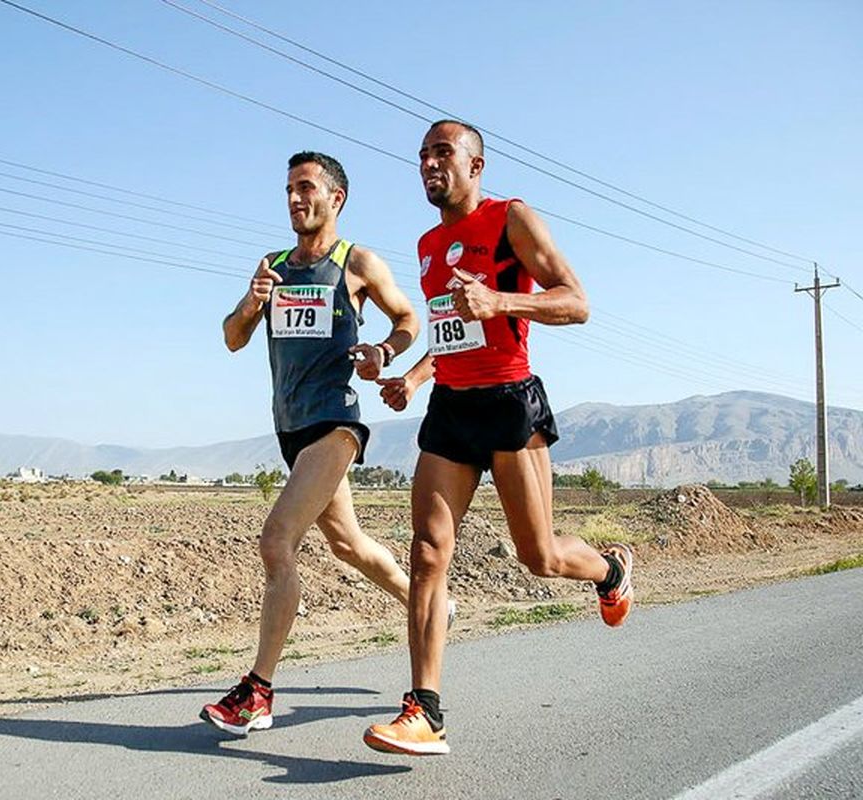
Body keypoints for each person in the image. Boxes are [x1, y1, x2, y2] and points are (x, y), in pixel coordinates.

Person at [362, 120, 634, 756]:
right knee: (429, 551)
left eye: (442, 153)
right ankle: (424, 709)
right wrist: (413, 375)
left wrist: (502, 301)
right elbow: (451, 330)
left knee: (538, 557)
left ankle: (610, 568)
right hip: (451, 409)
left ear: (476, 165)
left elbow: (577, 301)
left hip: (510, 404)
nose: (429, 163)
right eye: (422, 155)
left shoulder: (511, 217)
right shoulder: (429, 243)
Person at [200, 151, 423, 736]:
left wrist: (384, 352)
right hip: (290, 428)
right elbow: (230, 338)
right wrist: (252, 303)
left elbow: (408, 319)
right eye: (289, 190)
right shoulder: (272, 266)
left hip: (336, 423)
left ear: (335, 199)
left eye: (306, 189)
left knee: (277, 541)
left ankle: (257, 692)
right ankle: (427, 602)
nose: (296, 199)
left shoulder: (357, 263)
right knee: (349, 545)